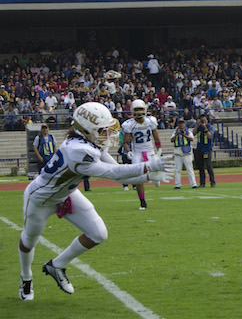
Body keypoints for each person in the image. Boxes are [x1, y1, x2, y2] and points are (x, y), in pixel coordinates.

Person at [18, 102, 173, 301]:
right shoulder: (79, 150)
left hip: (66, 194)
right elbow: (114, 172)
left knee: (98, 233)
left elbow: (119, 177)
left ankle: (55, 266)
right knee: (29, 240)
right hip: (40, 199)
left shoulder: (88, 143)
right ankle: (26, 277)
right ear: (88, 129)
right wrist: (147, 167)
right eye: (102, 129)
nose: (107, 133)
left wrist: (149, 177)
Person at [122, 99, 161, 209]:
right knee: (138, 178)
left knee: (154, 170)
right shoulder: (129, 124)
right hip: (137, 152)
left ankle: (155, 175)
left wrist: (159, 149)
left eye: (140, 109)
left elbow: (156, 136)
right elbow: (125, 141)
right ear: (132, 111)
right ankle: (142, 201)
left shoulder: (151, 121)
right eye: (136, 109)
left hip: (149, 150)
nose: (139, 112)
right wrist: (128, 151)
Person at [171, 118, 197, 189]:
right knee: (177, 169)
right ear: (178, 125)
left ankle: (193, 184)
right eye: (180, 123)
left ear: (184, 124)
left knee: (189, 169)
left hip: (186, 152)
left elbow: (191, 139)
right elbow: (171, 140)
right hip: (178, 153)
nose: (181, 125)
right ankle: (177, 184)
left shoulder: (188, 131)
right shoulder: (175, 132)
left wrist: (184, 135)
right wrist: (177, 134)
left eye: (182, 123)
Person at [194, 114, 216, 188]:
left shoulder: (210, 127)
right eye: (202, 120)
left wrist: (205, 128)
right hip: (200, 148)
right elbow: (193, 134)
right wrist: (197, 125)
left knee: (208, 166)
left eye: (204, 120)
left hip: (207, 148)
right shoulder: (199, 127)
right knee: (201, 167)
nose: (203, 122)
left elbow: (210, 136)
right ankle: (202, 183)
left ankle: (212, 182)